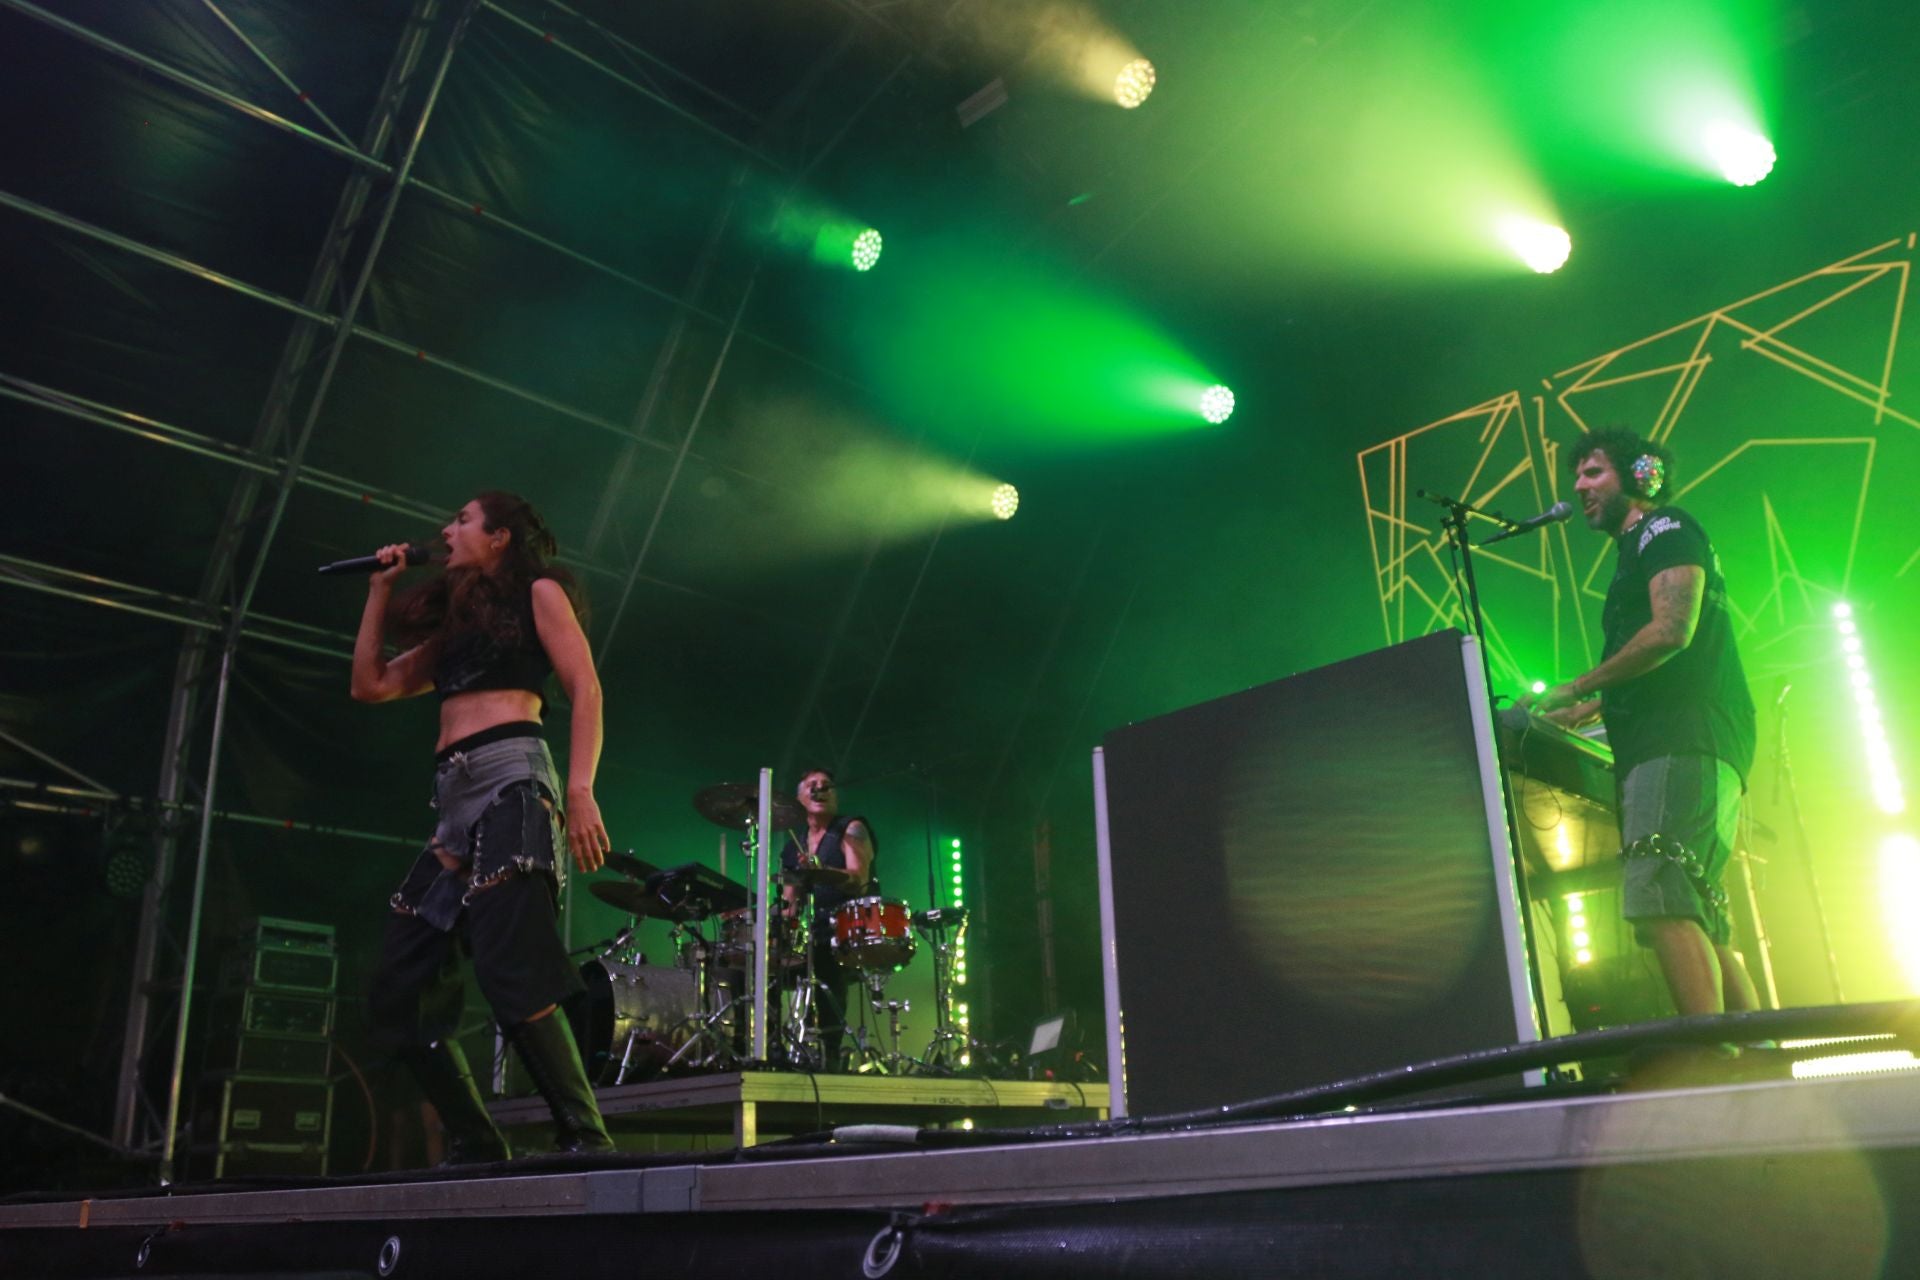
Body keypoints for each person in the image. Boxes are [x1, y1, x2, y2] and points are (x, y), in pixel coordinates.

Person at [352, 491, 614, 1161]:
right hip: (453, 803)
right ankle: (476, 1142)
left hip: (512, 781)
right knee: (401, 982)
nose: (446, 528)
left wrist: (580, 790)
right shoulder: (453, 633)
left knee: (510, 965)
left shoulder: (541, 592)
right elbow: (371, 686)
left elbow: (585, 686)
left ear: (499, 536)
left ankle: (586, 1136)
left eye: (463, 519)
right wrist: (380, 590)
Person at [1527, 429, 1760, 1019]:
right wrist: (1592, 708)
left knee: (1661, 901)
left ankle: (1715, 1055)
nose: (1579, 486)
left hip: (1683, 739)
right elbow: (1658, 660)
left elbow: (1671, 630)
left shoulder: (1665, 528)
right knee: (1699, 915)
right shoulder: (1638, 546)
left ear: (1640, 476)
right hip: (1689, 738)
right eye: (1577, 474)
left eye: (1594, 471)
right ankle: (1757, 1053)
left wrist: (1580, 684)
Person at [778, 769, 879, 1069]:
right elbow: (789, 901)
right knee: (757, 963)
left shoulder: (850, 828)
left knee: (823, 958)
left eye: (826, 787)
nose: (820, 790)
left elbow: (858, 879)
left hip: (847, 927)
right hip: (810, 932)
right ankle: (771, 1046)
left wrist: (821, 870)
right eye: (812, 786)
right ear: (799, 799)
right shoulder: (792, 845)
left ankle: (830, 1053)